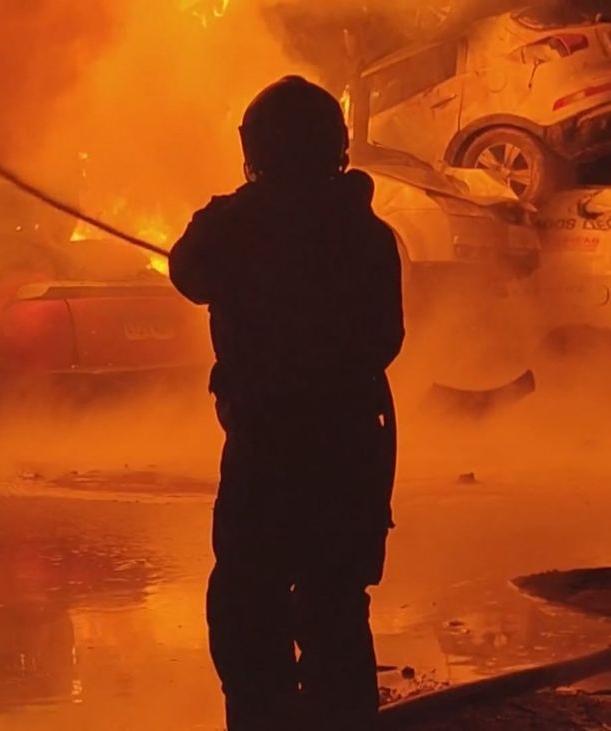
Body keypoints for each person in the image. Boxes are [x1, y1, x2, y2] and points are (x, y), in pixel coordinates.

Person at [169, 76, 404, 730]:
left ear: (257, 149)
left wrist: (234, 213)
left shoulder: (238, 227)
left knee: (249, 606)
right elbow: (386, 338)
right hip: (352, 448)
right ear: (337, 147)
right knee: (336, 607)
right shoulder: (368, 234)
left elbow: (186, 270)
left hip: (267, 449)